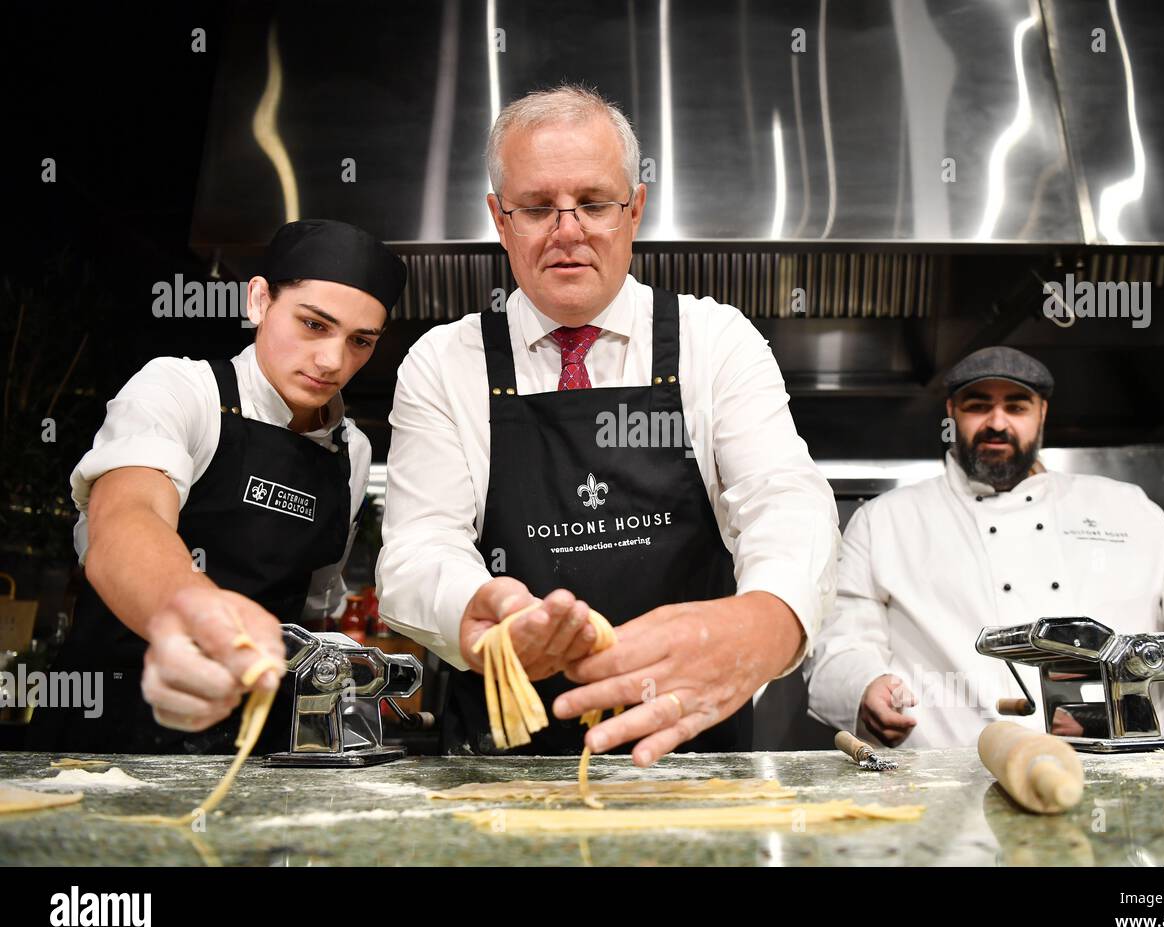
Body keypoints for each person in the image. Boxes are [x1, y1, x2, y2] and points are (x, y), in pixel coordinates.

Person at [376, 84, 839, 763]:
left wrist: (766, 620)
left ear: (635, 210)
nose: (569, 231)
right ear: (500, 221)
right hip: (504, 771)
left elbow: (783, 500)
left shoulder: (717, 341)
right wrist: (476, 607)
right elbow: (417, 552)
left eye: (594, 203)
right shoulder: (444, 363)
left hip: (694, 761)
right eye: (537, 208)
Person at [27, 219, 405, 753]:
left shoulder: (353, 453)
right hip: (110, 729)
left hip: (258, 744)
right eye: (314, 325)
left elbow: (315, 607)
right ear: (258, 300)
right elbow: (127, 519)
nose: (333, 361)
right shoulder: (181, 391)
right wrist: (193, 613)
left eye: (360, 341)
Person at [803, 346, 1164, 749]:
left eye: (1016, 407)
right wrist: (864, 685)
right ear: (951, 412)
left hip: (1133, 769)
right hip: (954, 780)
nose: (997, 423)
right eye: (978, 406)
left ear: (1042, 413)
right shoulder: (886, 519)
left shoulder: (1126, 506)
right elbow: (840, 641)